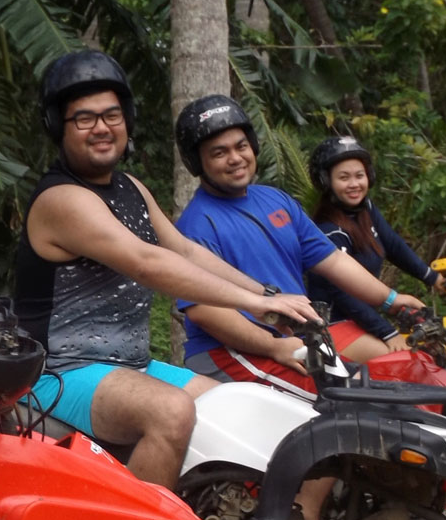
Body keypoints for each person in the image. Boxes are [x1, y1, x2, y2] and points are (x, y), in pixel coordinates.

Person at [13, 51, 320, 491]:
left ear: (128, 120)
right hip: (58, 372)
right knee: (171, 410)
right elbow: (147, 261)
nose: (101, 127)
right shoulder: (62, 200)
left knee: (241, 407)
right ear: (58, 128)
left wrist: (269, 297)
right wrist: (256, 303)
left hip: (131, 365)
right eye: (83, 119)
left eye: (112, 115)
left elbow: (184, 250)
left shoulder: (130, 188)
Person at [172, 96, 425, 381]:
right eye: (219, 153)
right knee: (353, 400)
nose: (235, 158)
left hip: (292, 342)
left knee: (383, 387)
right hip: (228, 351)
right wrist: (273, 346)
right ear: (198, 162)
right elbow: (204, 310)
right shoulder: (196, 225)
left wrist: (391, 300)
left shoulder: (276, 200)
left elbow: (333, 261)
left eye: (241, 146)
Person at [310, 133, 442, 317]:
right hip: (335, 326)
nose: (354, 184)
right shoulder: (329, 231)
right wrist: (387, 332)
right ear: (326, 181)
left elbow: (393, 245)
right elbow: (344, 295)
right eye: (344, 177)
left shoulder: (366, 209)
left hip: (363, 319)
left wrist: (432, 277)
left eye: (359, 175)